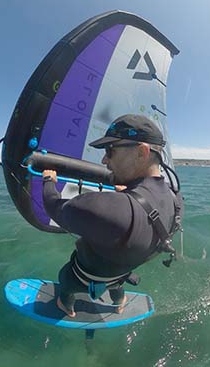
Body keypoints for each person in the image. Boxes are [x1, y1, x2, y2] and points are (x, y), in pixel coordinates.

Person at [40, 114, 183, 317]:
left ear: (142, 152)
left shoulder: (104, 208)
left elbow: (53, 206)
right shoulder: (176, 199)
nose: (104, 159)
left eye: (110, 151)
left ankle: (66, 306)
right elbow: (139, 216)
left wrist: (48, 181)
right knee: (116, 284)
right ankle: (120, 302)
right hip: (121, 273)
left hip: (83, 276)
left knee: (65, 280)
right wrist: (127, 196)